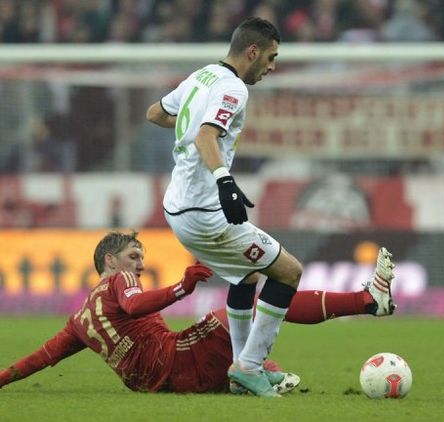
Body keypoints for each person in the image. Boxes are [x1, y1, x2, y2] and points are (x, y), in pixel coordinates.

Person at [0, 230, 396, 395]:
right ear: (110, 259)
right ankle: (365, 302)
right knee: (261, 303)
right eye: (133, 256)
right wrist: (180, 287)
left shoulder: (79, 320)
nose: (138, 264)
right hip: (176, 360)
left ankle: (254, 373)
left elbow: (42, 358)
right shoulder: (117, 282)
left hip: (162, 384)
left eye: (141, 257)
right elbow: (135, 304)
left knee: (245, 302)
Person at [145, 16, 303, 398]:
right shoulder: (234, 88)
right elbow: (205, 135)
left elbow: (156, 113)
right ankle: (249, 366)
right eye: (271, 57)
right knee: (289, 272)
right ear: (253, 51)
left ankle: (242, 369)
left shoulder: (202, 76)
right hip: (203, 213)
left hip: (176, 207)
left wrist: (192, 133)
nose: (272, 67)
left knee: (245, 277)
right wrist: (224, 180)